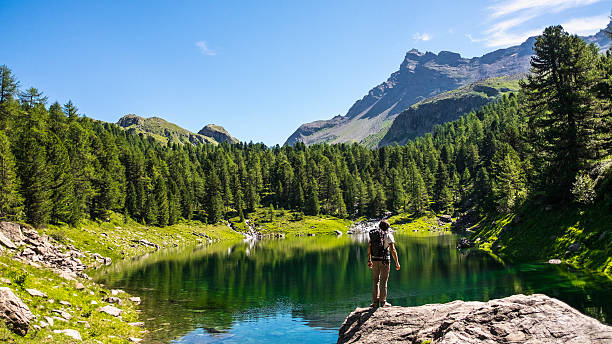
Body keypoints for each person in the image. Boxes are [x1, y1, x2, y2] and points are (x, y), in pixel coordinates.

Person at [367, 219, 400, 307]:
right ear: (388, 227)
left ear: (379, 226)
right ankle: (383, 302)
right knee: (383, 281)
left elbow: (369, 248)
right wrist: (397, 262)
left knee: (375, 281)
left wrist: (369, 260)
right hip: (385, 260)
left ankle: (374, 302)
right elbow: (393, 250)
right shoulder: (388, 235)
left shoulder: (374, 235)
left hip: (374, 260)